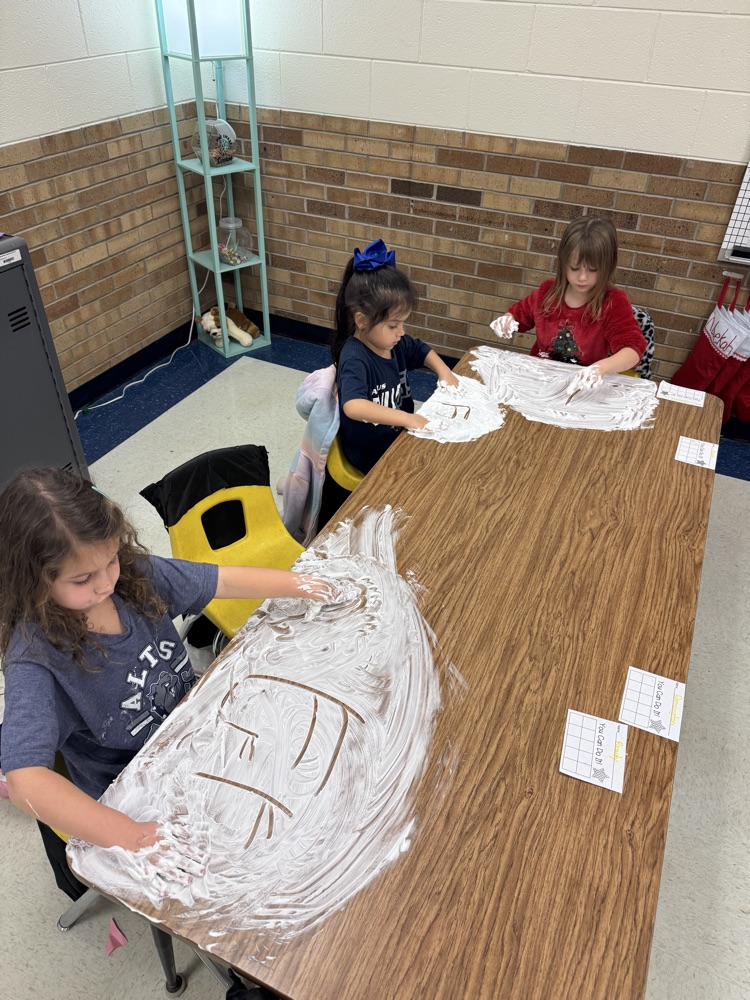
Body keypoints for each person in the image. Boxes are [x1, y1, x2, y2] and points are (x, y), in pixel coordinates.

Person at [0, 467, 344, 903]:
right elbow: (26, 781)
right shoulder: (36, 659)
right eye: (82, 580)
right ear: (34, 580)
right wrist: (133, 836)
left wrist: (303, 585)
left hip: (197, 729)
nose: (105, 582)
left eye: (110, 560)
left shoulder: (133, 577)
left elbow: (222, 579)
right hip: (139, 785)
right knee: (255, 882)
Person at [331, 238, 460, 476]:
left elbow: (422, 350)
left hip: (398, 436)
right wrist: (407, 418)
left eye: (402, 323)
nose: (401, 332)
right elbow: (353, 406)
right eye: (393, 325)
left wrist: (445, 372)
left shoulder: (394, 343)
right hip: (370, 454)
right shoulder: (355, 357)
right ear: (362, 321)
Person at [491, 215, 646, 393]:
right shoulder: (547, 292)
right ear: (563, 263)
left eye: (592, 270)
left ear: (608, 266)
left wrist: (601, 368)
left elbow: (633, 350)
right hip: (540, 381)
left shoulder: (613, 302)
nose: (582, 277)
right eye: (574, 268)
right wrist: (507, 320)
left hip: (582, 388)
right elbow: (519, 316)